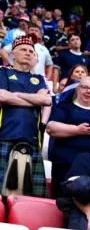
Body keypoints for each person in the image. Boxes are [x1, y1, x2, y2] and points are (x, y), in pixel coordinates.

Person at [0, 36, 52, 198]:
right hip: (3, 137)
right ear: (13, 54)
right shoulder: (3, 72)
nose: (28, 53)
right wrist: (32, 100)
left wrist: (14, 95)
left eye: (31, 51)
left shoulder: (39, 79)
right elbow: (2, 96)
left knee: (30, 199)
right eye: (23, 49)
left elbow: (46, 100)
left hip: (31, 140)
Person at [46, 76, 90, 197]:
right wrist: (77, 130)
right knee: (62, 200)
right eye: (84, 87)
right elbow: (51, 128)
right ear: (78, 89)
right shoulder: (65, 107)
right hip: (65, 163)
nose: (88, 91)